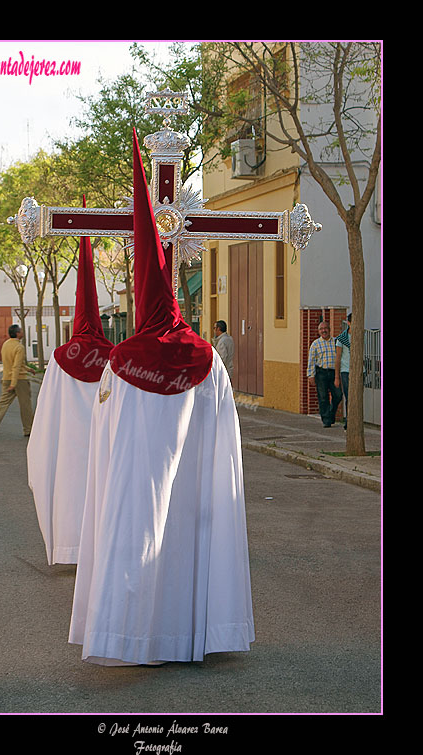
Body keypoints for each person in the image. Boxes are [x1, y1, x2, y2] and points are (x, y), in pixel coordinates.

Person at [68, 130, 254, 666]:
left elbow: (106, 438)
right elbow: (226, 448)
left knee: (139, 527)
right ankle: (198, 630)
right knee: (191, 531)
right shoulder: (209, 358)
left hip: (135, 480)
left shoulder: (121, 363)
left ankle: (134, 634)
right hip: (197, 493)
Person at [27, 202, 113, 565]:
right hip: (107, 443)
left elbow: (46, 418)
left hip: (70, 445)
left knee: (72, 487)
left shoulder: (62, 359)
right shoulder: (117, 356)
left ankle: (71, 547)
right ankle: (107, 549)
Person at [0, 324, 34, 438]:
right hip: (19, 380)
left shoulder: (6, 344)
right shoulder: (19, 347)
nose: (22, 332)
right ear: (17, 333)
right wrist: (14, 383)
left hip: (6, 377)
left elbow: (13, 363)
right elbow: (16, 366)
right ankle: (28, 429)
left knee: (3, 403)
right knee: (25, 405)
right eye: (21, 331)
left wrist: (28, 369)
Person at [307, 320, 343, 428]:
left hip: (333, 373)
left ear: (329, 329)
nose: (324, 331)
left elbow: (340, 358)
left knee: (338, 395)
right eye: (321, 329)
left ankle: (331, 413)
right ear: (318, 331)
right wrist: (311, 375)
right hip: (321, 373)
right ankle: (326, 420)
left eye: (325, 328)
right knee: (323, 397)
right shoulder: (315, 344)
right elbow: (311, 361)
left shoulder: (336, 342)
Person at [335, 313, 351, 431]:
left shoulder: (363, 335)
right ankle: (348, 421)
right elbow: (338, 357)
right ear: (348, 323)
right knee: (348, 396)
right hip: (345, 370)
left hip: (360, 370)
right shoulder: (342, 338)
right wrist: (337, 376)